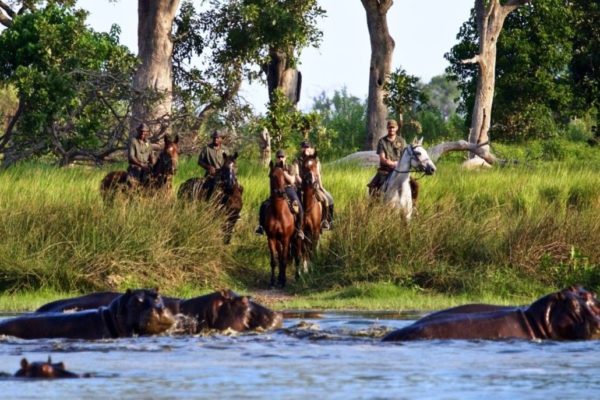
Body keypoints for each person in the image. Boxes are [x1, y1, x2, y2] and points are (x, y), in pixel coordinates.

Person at [255, 149, 305, 240]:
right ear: (276, 158)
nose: (280, 158)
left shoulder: (290, 167)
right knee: (264, 205)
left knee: (299, 207)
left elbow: (292, 180)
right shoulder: (273, 168)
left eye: (282, 157)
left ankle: (299, 229)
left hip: (289, 189)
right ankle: (261, 227)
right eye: (279, 157)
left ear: (285, 158)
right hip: (276, 191)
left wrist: (283, 172)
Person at [292, 140, 335, 230]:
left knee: (328, 199)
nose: (306, 149)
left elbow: (318, 174)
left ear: (310, 148)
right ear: (301, 148)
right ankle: (294, 223)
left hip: (313, 187)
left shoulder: (315, 160)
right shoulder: (297, 160)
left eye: (307, 147)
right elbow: (296, 175)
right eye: (304, 147)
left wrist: (321, 186)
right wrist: (302, 183)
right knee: (294, 203)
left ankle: (327, 221)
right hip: (300, 186)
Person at [367, 118, 407, 196]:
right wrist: (391, 163)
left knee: (414, 185)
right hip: (386, 170)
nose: (391, 129)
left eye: (393, 127)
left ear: (397, 128)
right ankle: (374, 204)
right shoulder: (382, 141)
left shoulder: (402, 141)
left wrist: (398, 164)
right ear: (387, 128)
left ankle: (413, 205)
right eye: (390, 127)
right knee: (373, 186)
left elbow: (405, 156)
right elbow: (382, 158)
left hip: (400, 170)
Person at [198, 130, 227, 200]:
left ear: (221, 139)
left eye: (217, 138)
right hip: (211, 174)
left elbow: (229, 162)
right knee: (207, 188)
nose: (215, 139)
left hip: (223, 175)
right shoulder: (207, 149)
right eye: (214, 138)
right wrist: (208, 167)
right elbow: (200, 161)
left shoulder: (225, 150)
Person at [127, 123, 155, 188]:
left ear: (147, 133)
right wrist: (141, 164)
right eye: (141, 131)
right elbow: (131, 157)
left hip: (146, 167)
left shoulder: (148, 143)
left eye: (145, 131)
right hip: (135, 167)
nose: (143, 133)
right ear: (138, 131)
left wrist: (153, 164)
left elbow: (151, 156)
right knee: (132, 183)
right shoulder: (133, 141)